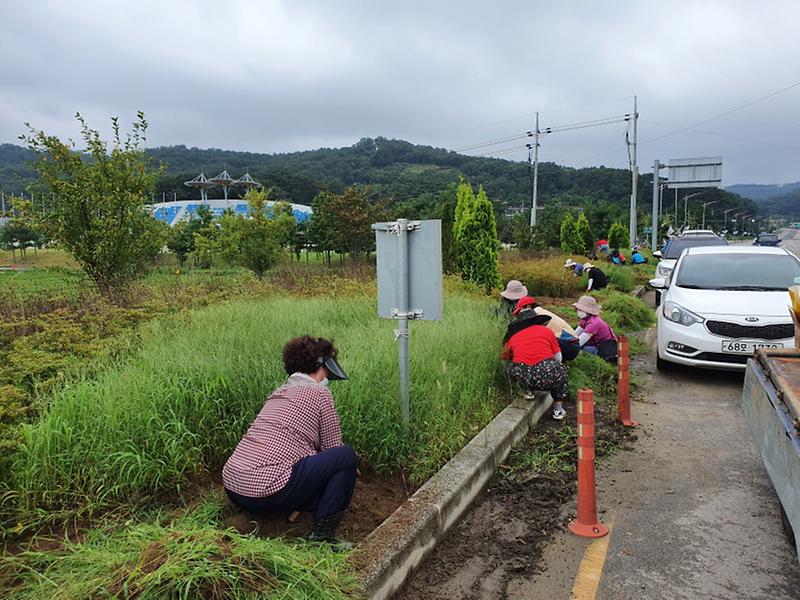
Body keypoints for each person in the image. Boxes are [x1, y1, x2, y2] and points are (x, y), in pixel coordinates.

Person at [222, 336, 357, 549]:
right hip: (267, 490)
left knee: (309, 469)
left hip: (234, 486)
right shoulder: (320, 393)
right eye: (326, 372)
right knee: (346, 456)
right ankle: (323, 537)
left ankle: (304, 507)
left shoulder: (278, 393)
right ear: (320, 368)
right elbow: (333, 448)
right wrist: (350, 469)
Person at [501, 298, 570, 420]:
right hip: (547, 373)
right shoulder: (547, 332)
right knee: (561, 370)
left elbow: (504, 358)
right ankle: (558, 410)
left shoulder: (513, 337)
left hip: (524, 375)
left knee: (513, 366)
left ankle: (528, 391)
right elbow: (559, 357)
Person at [510, 296, 580, 361]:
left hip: (570, 346)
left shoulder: (537, 314)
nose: (520, 315)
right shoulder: (540, 311)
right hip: (570, 344)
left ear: (528, 306)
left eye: (520, 311)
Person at [573, 296, 618, 363]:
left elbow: (579, 343)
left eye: (581, 310)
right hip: (594, 343)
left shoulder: (594, 323)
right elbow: (575, 334)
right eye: (578, 309)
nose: (578, 311)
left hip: (605, 347)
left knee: (585, 350)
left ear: (588, 311)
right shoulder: (584, 319)